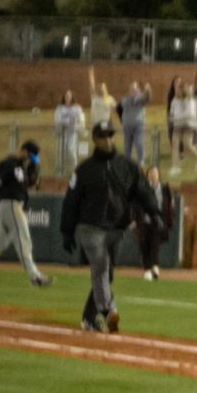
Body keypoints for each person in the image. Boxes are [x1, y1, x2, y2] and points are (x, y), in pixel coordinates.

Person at [58, 122, 154, 333]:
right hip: (90, 227)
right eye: (102, 136)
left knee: (106, 275)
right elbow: (71, 201)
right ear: (95, 139)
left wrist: (154, 211)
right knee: (100, 265)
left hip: (116, 229)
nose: (107, 140)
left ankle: (88, 318)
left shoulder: (126, 165)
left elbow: (142, 189)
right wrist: (67, 231)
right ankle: (109, 310)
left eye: (110, 135)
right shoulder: (84, 169)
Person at [0, 141, 50, 287]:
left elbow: (31, 183)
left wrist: (34, 167)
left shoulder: (22, 167)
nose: (32, 159)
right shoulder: (7, 163)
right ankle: (35, 276)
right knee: (23, 240)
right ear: (24, 151)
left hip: (15, 206)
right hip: (11, 205)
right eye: (31, 155)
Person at [134, 164, 171, 280]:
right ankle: (147, 268)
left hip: (158, 221)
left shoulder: (165, 189)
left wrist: (167, 220)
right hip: (145, 220)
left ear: (159, 175)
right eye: (151, 173)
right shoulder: (142, 188)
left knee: (155, 244)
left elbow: (169, 205)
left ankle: (155, 265)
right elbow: (136, 205)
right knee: (144, 245)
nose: (153, 175)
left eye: (155, 173)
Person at [52, 90, 85, 174]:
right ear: (64, 97)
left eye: (69, 96)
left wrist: (76, 124)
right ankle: (60, 171)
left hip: (73, 132)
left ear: (72, 97)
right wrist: (66, 122)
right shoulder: (60, 108)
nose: (67, 97)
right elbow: (57, 120)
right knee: (60, 151)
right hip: (62, 132)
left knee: (71, 150)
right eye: (66, 96)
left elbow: (81, 120)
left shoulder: (77, 108)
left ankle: (75, 171)